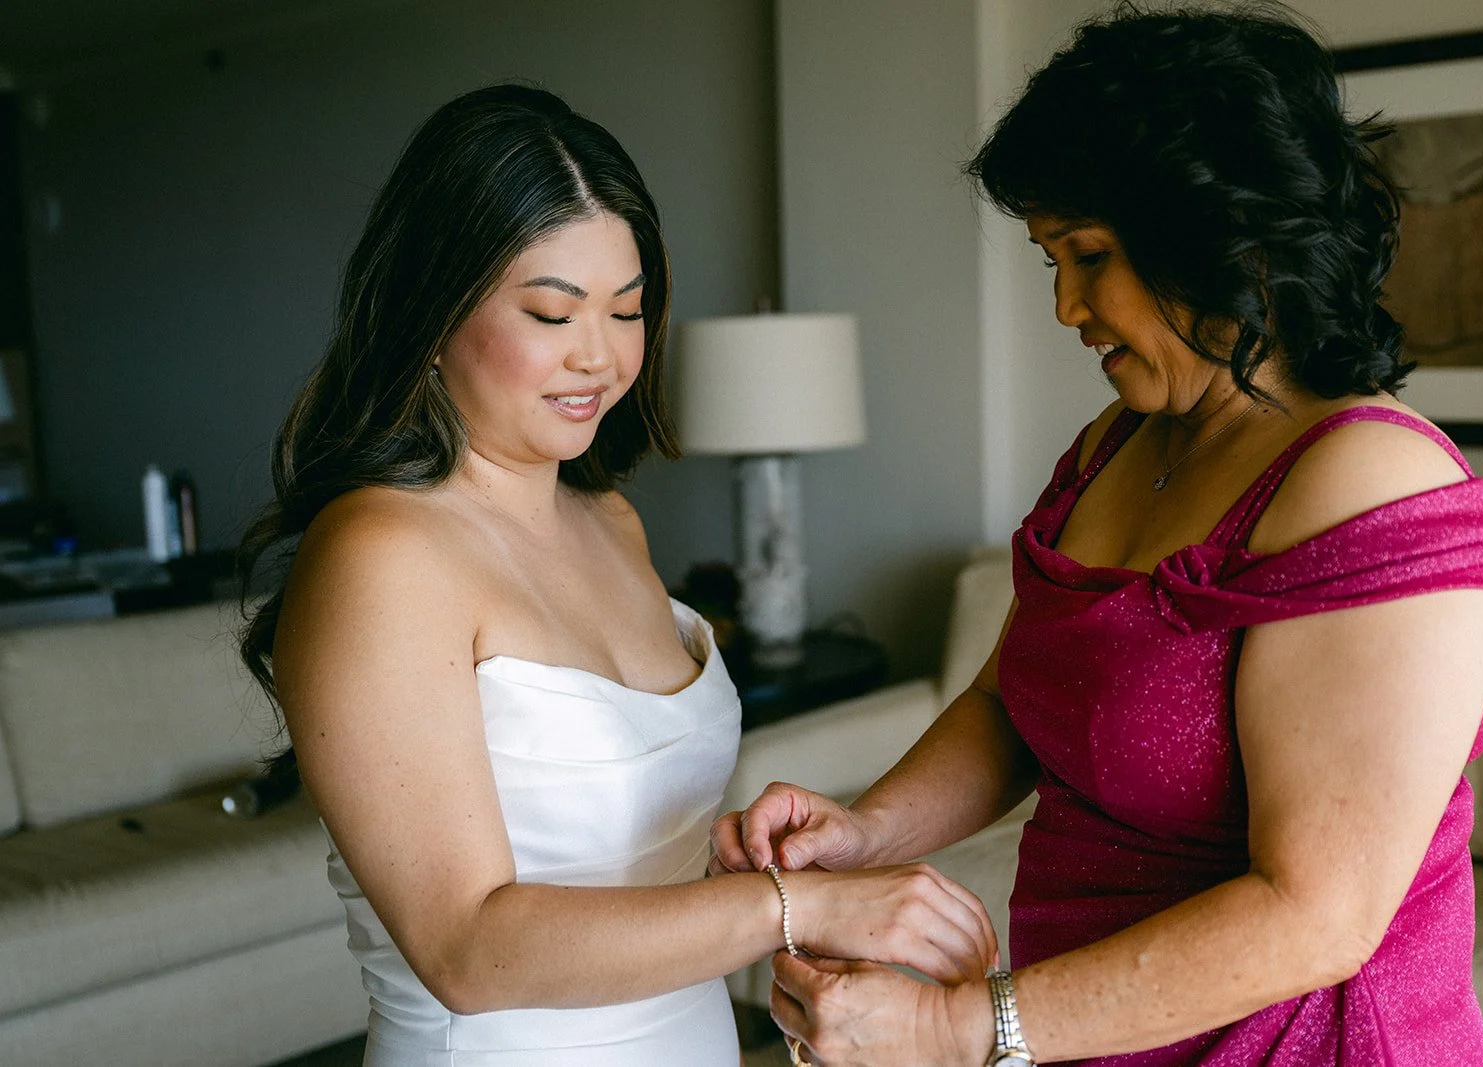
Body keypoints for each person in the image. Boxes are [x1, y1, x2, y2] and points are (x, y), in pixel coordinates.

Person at [711, 6, 1483, 1065]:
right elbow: (1013, 700)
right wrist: (866, 831)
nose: (1064, 305)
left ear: (1219, 234)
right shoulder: (1120, 441)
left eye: (1088, 254)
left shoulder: (1368, 483)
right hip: (1083, 1032)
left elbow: (1315, 914)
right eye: (1051, 257)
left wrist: (957, 1026)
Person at [237, 84, 996, 1067]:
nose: (598, 355)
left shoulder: (611, 521)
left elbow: (629, 842)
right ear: (431, 316)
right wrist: (792, 904)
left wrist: (745, 855)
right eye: (552, 312)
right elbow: (468, 948)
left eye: (627, 310)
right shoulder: (381, 553)